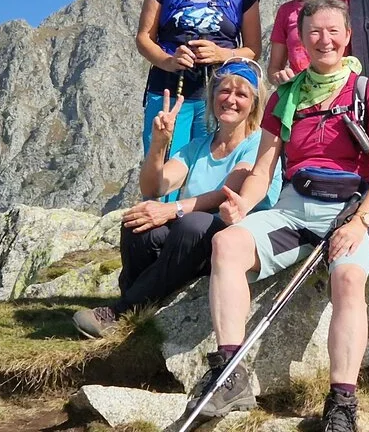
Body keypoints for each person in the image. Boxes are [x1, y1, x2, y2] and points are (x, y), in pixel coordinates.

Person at [184, 0, 369, 430]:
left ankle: (341, 402)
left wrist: (361, 222)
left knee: (349, 278)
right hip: (294, 214)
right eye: (314, 32)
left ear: (347, 37)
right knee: (226, 244)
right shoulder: (285, 97)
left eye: (333, 31)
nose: (324, 40)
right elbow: (264, 169)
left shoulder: (368, 92)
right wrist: (243, 203)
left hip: (349, 212)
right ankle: (229, 372)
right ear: (300, 38)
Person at [72, 59, 281, 339]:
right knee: (138, 223)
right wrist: (159, 143)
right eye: (224, 91)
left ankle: (122, 311)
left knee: (192, 224)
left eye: (241, 94)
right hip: (188, 240)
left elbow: (225, 193)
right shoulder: (199, 146)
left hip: (229, 239)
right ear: (213, 96)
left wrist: (171, 210)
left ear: (254, 103)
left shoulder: (257, 143)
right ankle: (139, 312)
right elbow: (153, 186)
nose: (231, 100)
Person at [134, 0, 262, 162]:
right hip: (167, 92)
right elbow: (144, 38)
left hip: (220, 96)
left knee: (211, 169)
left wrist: (221, 54)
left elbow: (253, 49)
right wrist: (169, 61)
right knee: (162, 166)